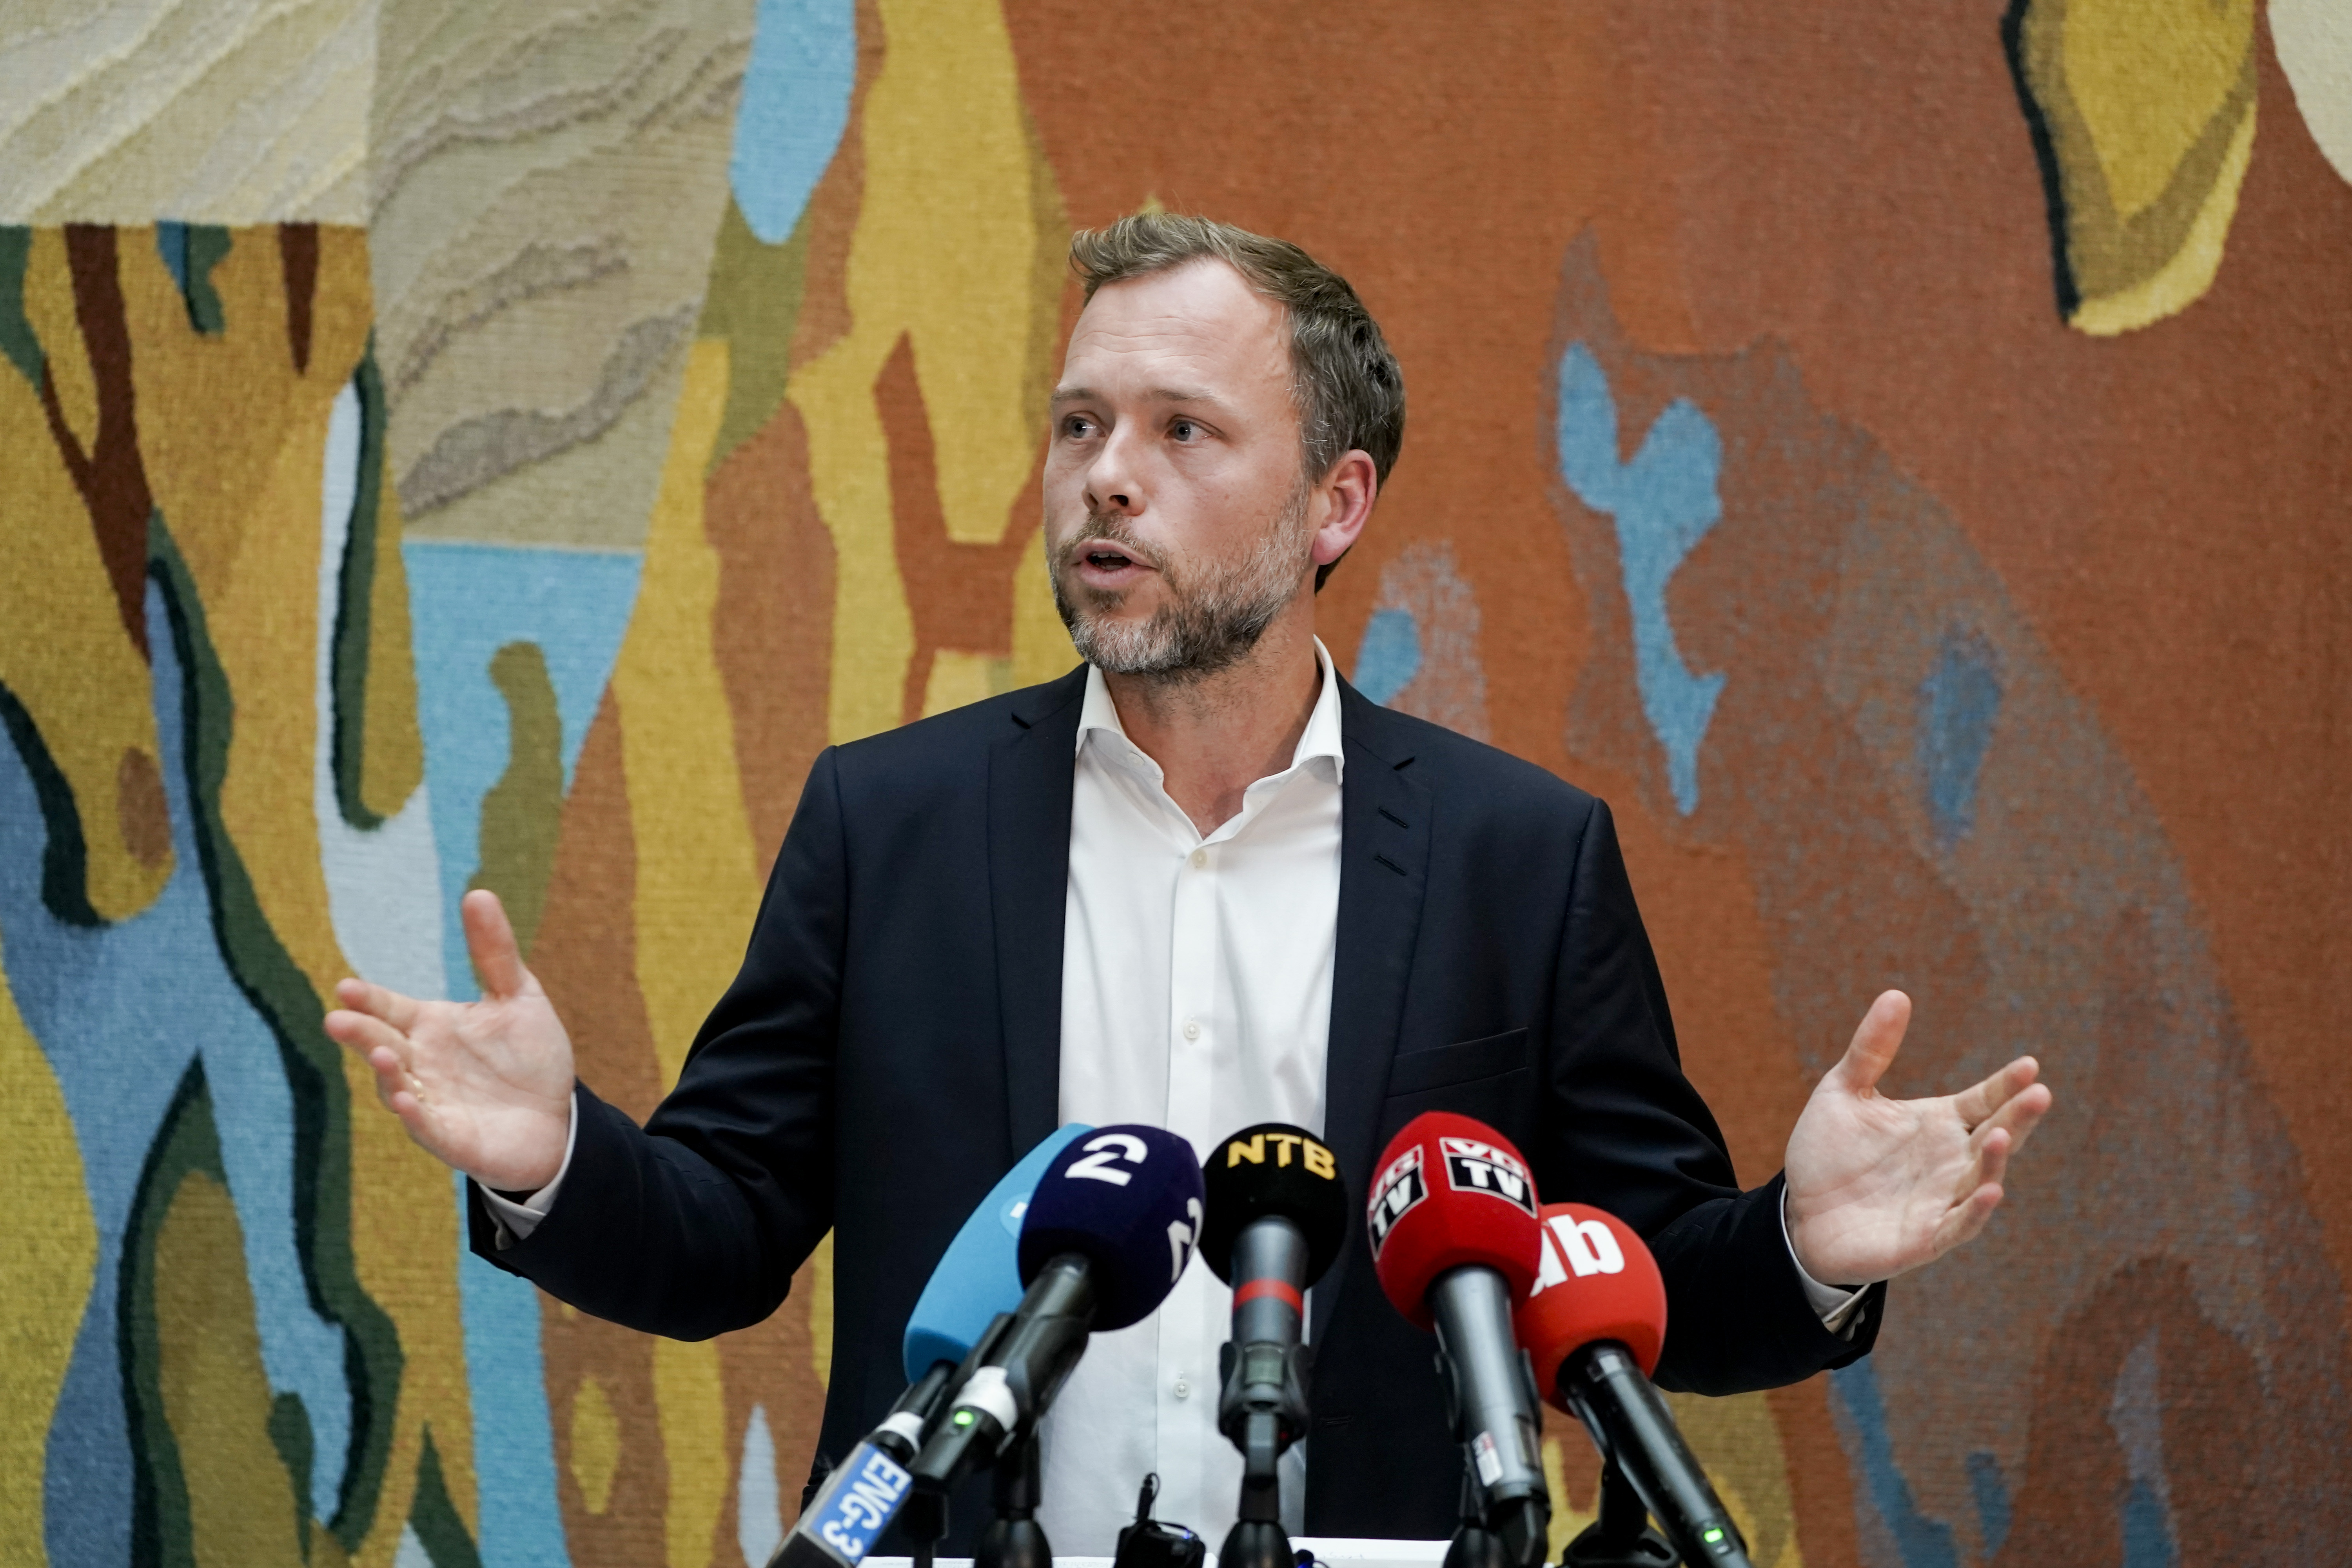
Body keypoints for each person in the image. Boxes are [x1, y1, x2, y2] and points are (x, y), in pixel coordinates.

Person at [327, 213, 2053, 1553]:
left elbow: (1635, 1295)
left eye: (1181, 429)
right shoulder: (893, 822)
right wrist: (557, 1158)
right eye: (1079, 421)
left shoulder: (1518, 858)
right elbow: (722, 1240)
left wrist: (1807, 1247)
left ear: (1334, 501)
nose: (1107, 474)